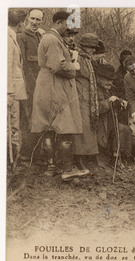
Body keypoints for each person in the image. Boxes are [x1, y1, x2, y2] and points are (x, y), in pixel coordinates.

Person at [31, 11, 86, 181]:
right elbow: (59, 67)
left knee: (48, 127)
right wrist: (74, 67)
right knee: (64, 127)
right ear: (60, 22)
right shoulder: (53, 40)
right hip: (55, 85)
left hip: (45, 84)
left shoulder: (48, 38)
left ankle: (51, 167)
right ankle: (68, 170)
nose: (70, 29)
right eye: (68, 25)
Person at [16, 8, 45, 161]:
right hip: (28, 86)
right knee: (28, 119)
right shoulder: (21, 37)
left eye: (38, 20)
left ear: (41, 21)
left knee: (38, 118)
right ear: (27, 19)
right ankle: (27, 154)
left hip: (40, 86)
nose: (34, 22)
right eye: (32, 19)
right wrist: (27, 88)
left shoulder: (40, 36)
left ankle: (37, 153)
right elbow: (21, 65)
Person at [71, 33, 102, 174]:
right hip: (78, 96)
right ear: (84, 46)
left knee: (89, 127)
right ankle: (78, 159)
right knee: (81, 128)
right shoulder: (76, 56)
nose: (93, 50)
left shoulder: (88, 59)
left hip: (89, 98)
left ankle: (89, 157)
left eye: (94, 48)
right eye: (91, 47)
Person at [95, 63, 132, 167]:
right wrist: (108, 101)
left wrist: (120, 101)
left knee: (126, 129)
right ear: (99, 78)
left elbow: (114, 98)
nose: (109, 82)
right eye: (106, 79)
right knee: (119, 130)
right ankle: (114, 160)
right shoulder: (95, 90)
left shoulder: (109, 89)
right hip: (100, 123)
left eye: (111, 80)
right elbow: (95, 108)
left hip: (110, 121)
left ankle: (121, 157)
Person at [7, 9, 28, 168]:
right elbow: (6, 67)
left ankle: (11, 159)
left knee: (14, 126)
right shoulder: (7, 39)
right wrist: (8, 93)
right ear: (21, 23)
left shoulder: (11, 37)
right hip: (11, 91)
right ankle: (9, 161)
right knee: (12, 126)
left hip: (14, 90)